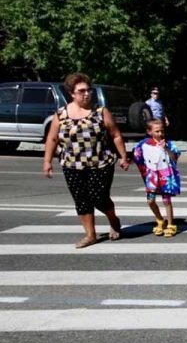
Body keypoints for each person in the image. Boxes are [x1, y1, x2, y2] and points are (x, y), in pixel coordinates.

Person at [43, 72, 130, 248]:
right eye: (81, 91)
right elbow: (52, 139)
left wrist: (123, 157)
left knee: (99, 197)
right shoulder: (60, 115)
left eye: (89, 90)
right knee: (81, 199)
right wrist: (47, 162)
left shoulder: (100, 112)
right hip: (72, 164)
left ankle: (113, 220)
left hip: (100, 163)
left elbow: (116, 135)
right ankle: (90, 235)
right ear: (72, 93)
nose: (87, 94)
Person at [132, 119, 182, 237]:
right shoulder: (144, 144)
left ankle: (170, 224)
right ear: (149, 132)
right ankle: (160, 219)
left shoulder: (168, 144)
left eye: (162, 131)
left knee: (166, 200)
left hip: (165, 175)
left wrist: (166, 148)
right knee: (150, 200)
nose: (160, 134)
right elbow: (136, 155)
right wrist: (127, 160)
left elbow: (175, 157)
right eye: (157, 131)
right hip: (152, 176)